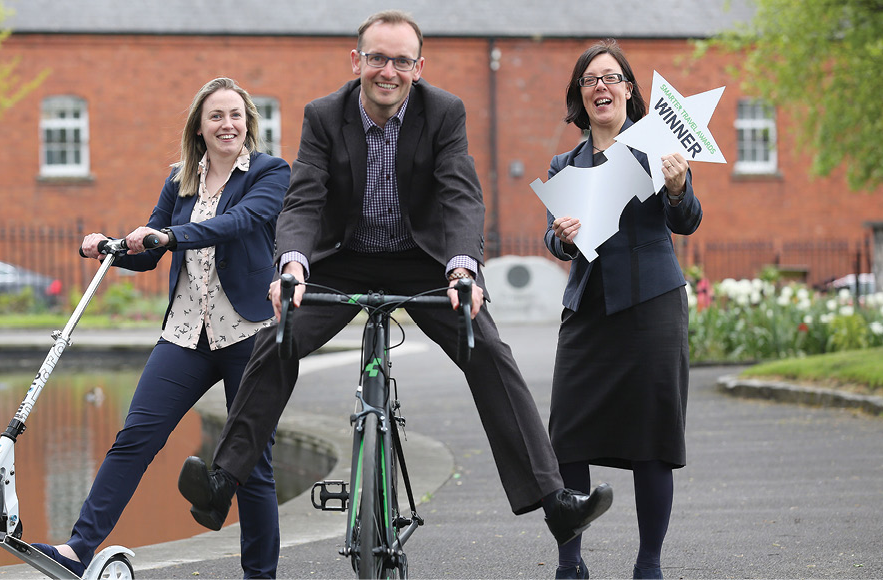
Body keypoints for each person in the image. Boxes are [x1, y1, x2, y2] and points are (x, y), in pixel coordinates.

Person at [176, 9, 614, 562]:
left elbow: (460, 193)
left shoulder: (443, 112)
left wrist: (462, 269)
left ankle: (554, 503)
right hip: (342, 260)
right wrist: (291, 266)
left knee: (486, 348)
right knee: (278, 336)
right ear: (356, 61)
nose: (389, 70)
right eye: (378, 58)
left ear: (418, 66)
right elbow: (306, 197)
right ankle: (221, 486)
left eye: (402, 61)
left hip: (423, 261)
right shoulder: (323, 115)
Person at [31, 77, 290, 579]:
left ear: (248, 123)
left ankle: (260, 576)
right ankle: (77, 550)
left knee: (253, 465)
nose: (227, 124)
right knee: (134, 439)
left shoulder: (269, 172)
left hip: (247, 335)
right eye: (215, 116)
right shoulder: (180, 180)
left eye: (235, 115)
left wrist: (170, 235)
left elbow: (239, 222)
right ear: (199, 126)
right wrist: (110, 246)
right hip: (185, 334)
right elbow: (153, 251)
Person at [544, 39, 703, 580]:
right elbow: (556, 237)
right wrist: (561, 238)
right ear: (580, 95)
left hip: (652, 310)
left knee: (653, 440)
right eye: (590, 80)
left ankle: (649, 564)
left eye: (611, 78)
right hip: (588, 312)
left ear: (630, 91)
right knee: (566, 437)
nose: (601, 87)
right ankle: (572, 562)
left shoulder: (657, 148)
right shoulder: (565, 162)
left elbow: (686, 221)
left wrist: (679, 187)